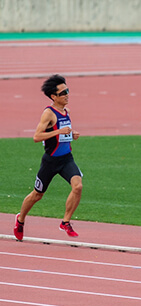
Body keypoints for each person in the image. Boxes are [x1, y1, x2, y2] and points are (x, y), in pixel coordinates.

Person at [14, 74, 82, 241]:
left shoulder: (66, 111)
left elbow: (63, 134)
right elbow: (36, 137)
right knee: (37, 195)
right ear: (54, 96)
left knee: (78, 186)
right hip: (51, 161)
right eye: (63, 92)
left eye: (68, 90)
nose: (67, 94)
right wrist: (58, 131)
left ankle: (65, 222)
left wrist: (72, 134)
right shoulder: (48, 113)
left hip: (66, 159)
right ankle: (20, 220)